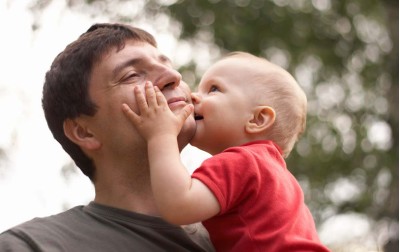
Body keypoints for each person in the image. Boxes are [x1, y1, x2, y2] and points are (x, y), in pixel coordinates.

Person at [0, 23, 214, 252]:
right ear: (84, 131)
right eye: (131, 75)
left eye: (166, 64)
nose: (173, 76)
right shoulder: (33, 246)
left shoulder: (241, 229)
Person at [122, 52, 331, 251]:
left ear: (257, 120)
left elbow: (179, 206)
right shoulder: (276, 175)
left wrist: (161, 135)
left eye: (213, 89)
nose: (194, 96)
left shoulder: (242, 161)